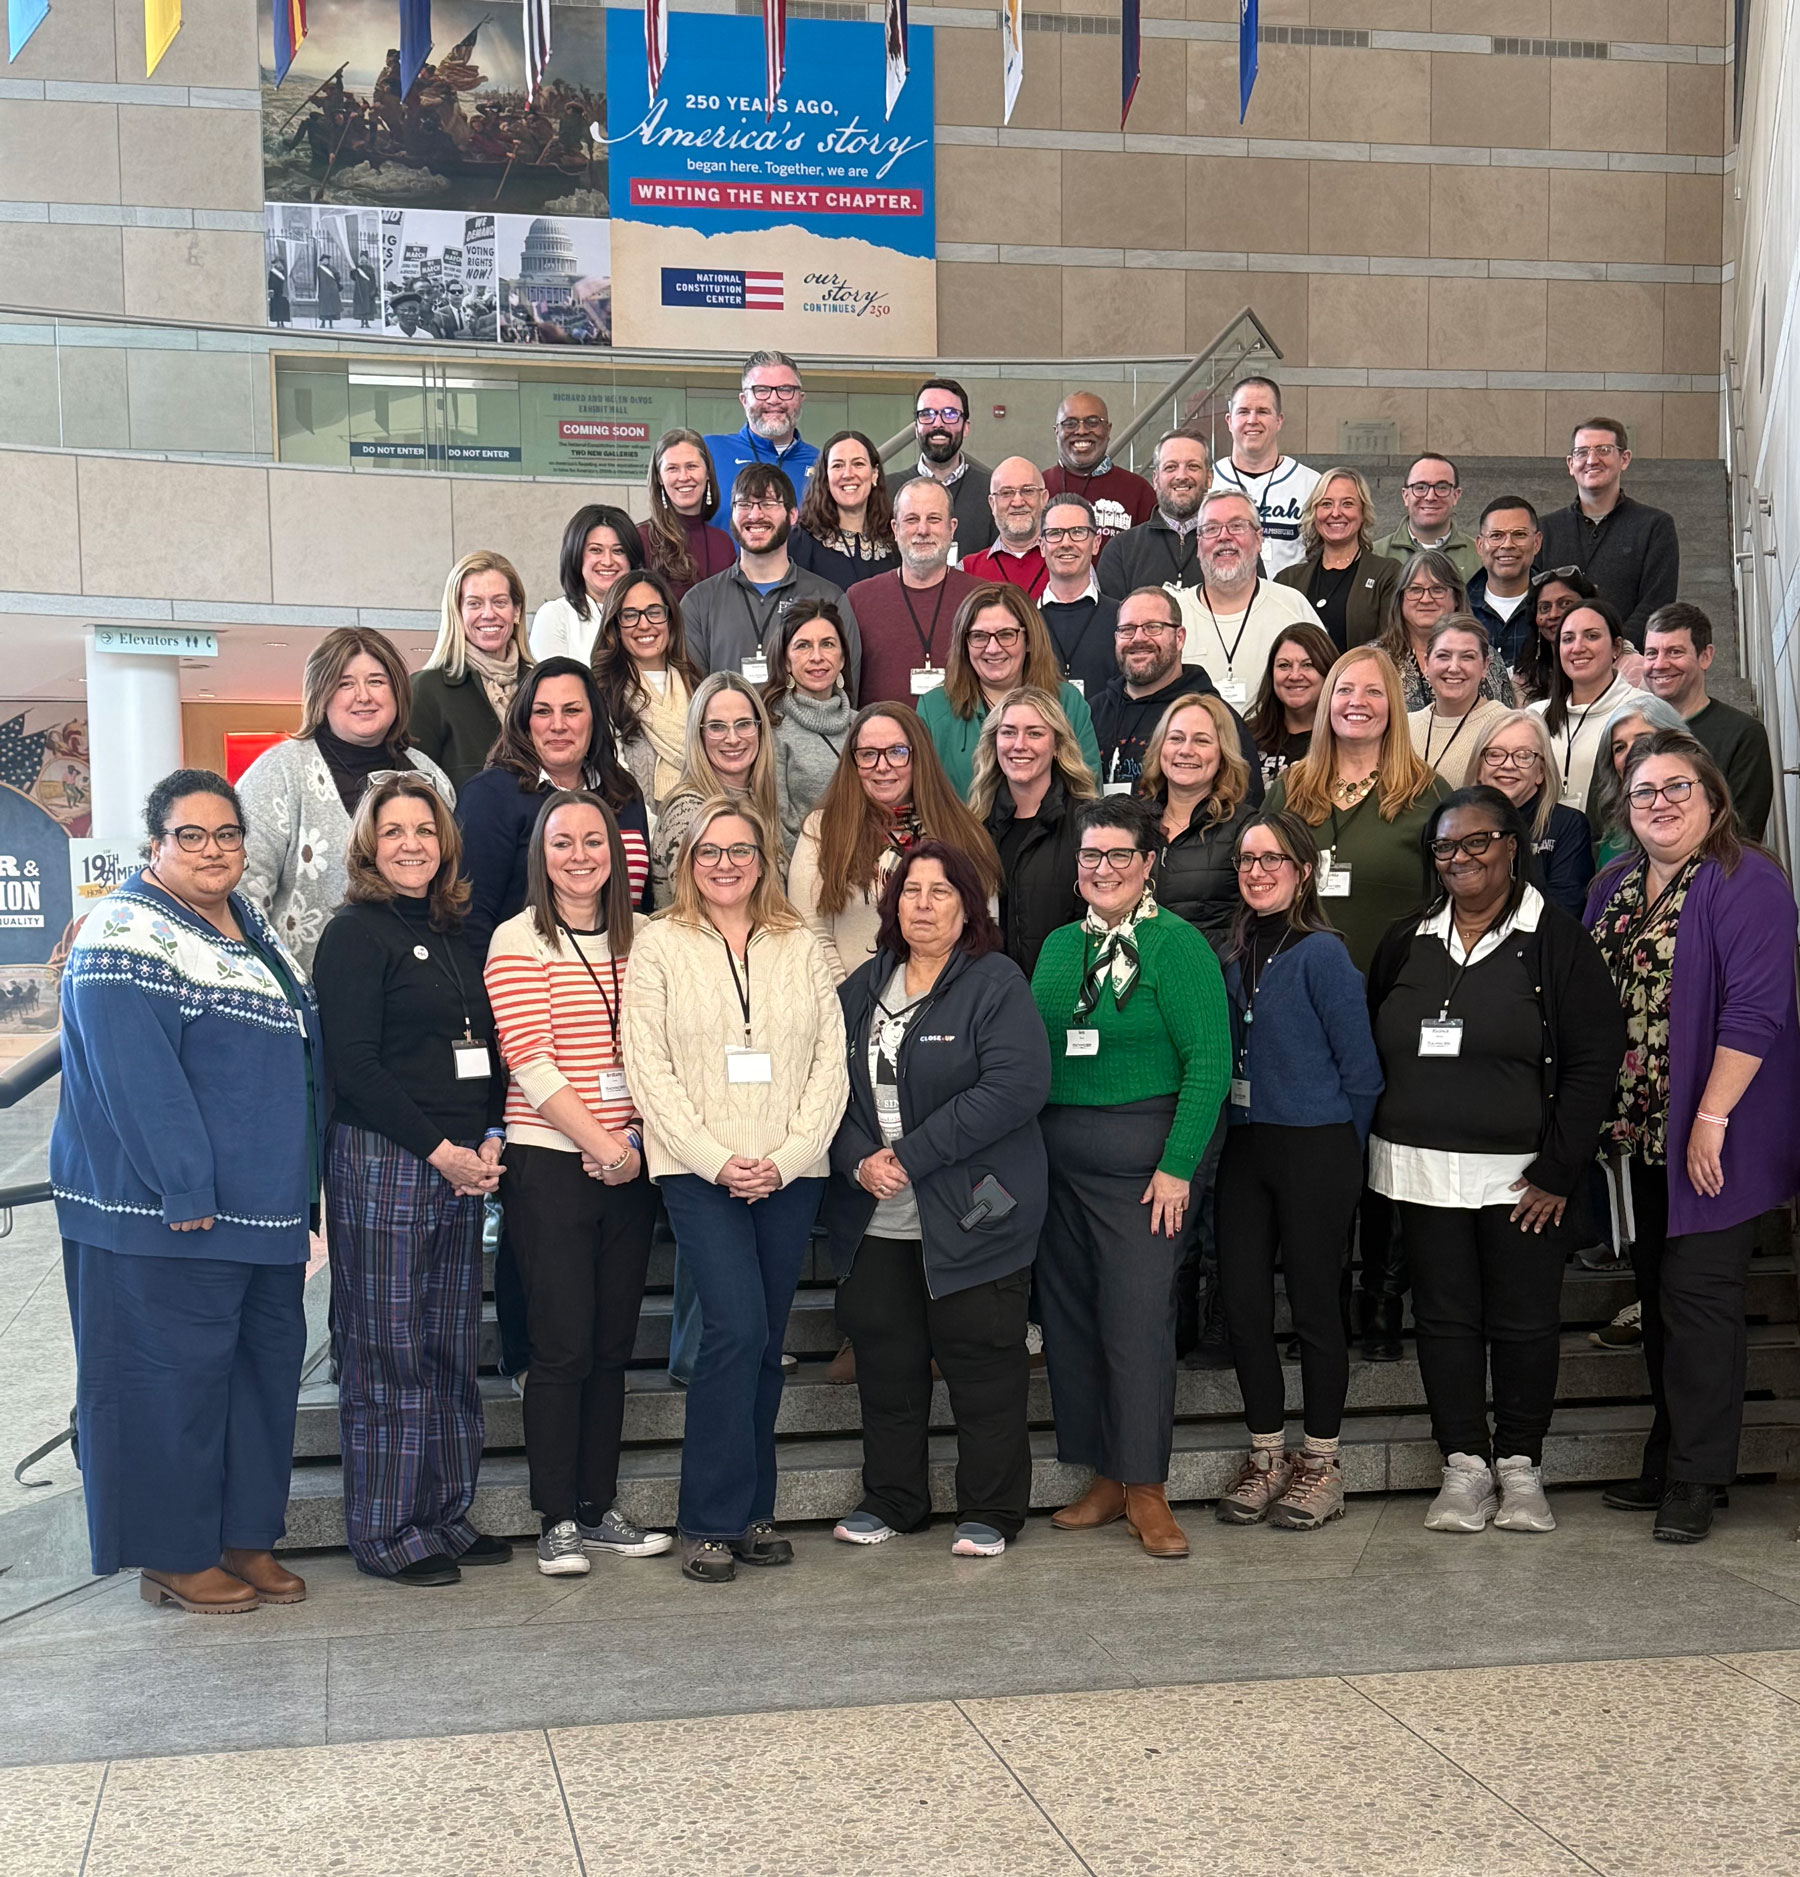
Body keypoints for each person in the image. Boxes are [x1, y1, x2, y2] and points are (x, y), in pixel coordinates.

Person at [53, 771, 322, 1613]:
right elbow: (137, 1077)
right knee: (167, 1388)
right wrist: (184, 1184)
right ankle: (172, 1553)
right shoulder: (123, 930)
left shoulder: (250, 923)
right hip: (170, 1216)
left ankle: (244, 1536)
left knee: (258, 1385)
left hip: (263, 1212)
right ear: (155, 844)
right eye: (191, 835)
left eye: (227, 834)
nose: (213, 850)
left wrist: (302, 1188)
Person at [1367, 787, 1625, 1535]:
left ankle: (1519, 1465)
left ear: (1512, 845)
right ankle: (1463, 1465)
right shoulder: (1406, 937)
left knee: (1524, 1322)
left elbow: (1594, 1060)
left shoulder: (1557, 940)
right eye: (1446, 846)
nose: (1461, 858)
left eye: (1477, 841)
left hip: (1522, 1179)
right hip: (1419, 1169)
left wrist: (1558, 1167)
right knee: (1443, 1318)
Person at [620, 800, 848, 1584]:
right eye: (709, 851)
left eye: (740, 849)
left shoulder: (800, 942)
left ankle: (754, 1511)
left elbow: (831, 1061)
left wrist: (788, 1157)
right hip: (697, 1171)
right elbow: (648, 1067)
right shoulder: (658, 943)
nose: (725, 864)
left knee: (765, 1337)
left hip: (791, 1171)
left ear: (763, 858)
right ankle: (707, 1519)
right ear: (687, 861)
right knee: (735, 1328)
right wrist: (717, 1160)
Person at [1587, 732, 1800, 1542]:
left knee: (1699, 1299)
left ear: (1713, 796)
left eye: (1679, 787)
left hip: (1719, 1130)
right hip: (1640, 1131)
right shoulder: (1612, 884)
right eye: (1645, 790)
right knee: (1660, 1298)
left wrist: (1710, 1120)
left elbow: (1756, 1010)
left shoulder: (1749, 878)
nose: (1661, 802)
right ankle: (1670, 1451)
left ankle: (1699, 1475)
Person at [824, 842, 1051, 1556]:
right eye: (910, 891)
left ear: (968, 906)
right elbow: (824, 1092)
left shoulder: (995, 983)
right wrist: (858, 1160)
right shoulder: (860, 988)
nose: (922, 905)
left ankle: (992, 1509)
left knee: (984, 1365)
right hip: (877, 1218)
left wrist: (911, 1154)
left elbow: (1015, 1086)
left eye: (940, 891)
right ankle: (893, 1498)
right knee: (886, 1367)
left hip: (974, 1212)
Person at [314, 775, 511, 1587]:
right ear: (369, 844)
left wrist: (492, 1135)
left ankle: (443, 1514)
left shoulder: (459, 932)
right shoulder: (352, 935)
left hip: (461, 1164)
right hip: (387, 1161)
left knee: (448, 1349)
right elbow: (355, 1067)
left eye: (424, 830)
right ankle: (388, 1530)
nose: (410, 844)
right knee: (387, 1352)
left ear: (445, 841)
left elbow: (488, 1049)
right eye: (393, 831)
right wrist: (440, 1149)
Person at [1031, 794, 1231, 1559]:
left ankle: (1147, 1484)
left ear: (1149, 863)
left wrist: (1179, 1166)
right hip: (1059, 1166)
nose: (1104, 867)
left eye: (1120, 854)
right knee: (1073, 1323)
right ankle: (1106, 1477)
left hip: (1145, 1171)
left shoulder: (1177, 945)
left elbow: (1209, 1062)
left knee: (1137, 1323)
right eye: (1092, 854)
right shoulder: (1058, 947)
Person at [484, 791, 671, 1575]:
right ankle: (555, 1516)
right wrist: (604, 1146)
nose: (580, 855)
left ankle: (598, 1507)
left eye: (594, 840)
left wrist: (633, 1146)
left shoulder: (649, 937)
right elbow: (530, 1060)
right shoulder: (517, 937)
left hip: (631, 1158)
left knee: (611, 1346)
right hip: (551, 1160)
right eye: (563, 842)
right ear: (541, 854)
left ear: (618, 853)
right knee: (561, 1346)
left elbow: (663, 1049)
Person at [1213, 811, 1381, 1531]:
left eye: (1272, 859)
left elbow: (1362, 1071)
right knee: (1245, 1304)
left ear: (1303, 870)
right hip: (1246, 1147)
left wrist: (1347, 1153)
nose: (1257, 871)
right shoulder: (1231, 954)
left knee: (1315, 1306)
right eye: (1246, 860)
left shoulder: (1323, 955)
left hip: (1317, 1147)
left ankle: (1321, 1461)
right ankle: (1265, 1454)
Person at [239, 626, 454, 973]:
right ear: (321, 693)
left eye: (376, 681)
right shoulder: (279, 773)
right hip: (306, 989)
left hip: (421, 986)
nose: (363, 696)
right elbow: (243, 894)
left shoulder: (429, 776)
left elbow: (449, 885)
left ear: (398, 691)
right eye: (345, 684)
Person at [1265, 644, 1449, 974]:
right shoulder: (1289, 789)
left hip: (1397, 983)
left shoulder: (1428, 793)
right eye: (1345, 690)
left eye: (1373, 692)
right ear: (1328, 701)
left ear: (1393, 706)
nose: (1357, 701)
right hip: (1296, 981)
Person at [790, 701, 1001, 983]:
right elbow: (811, 930)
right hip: (847, 999)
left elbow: (983, 926)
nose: (882, 766)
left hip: (948, 998)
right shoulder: (822, 829)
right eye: (868, 754)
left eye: (897, 752)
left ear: (919, 757)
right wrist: (849, 997)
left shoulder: (962, 832)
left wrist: (946, 997)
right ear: (853, 762)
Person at [457, 658, 652, 958]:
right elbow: (471, 918)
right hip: (529, 975)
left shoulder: (624, 792)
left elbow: (642, 905)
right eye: (542, 711)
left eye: (572, 711)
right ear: (525, 721)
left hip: (626, 972)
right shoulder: (490, 795)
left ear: (595, 718)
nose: (558, 725)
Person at [683, 464, 863, 699]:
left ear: (792, 515)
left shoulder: (829, 598)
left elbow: (846, 695)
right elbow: (693, 698)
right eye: (744, 504)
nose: (755, 515)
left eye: (768, 503)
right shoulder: (699, 603)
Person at [917, 583, 1099, 798]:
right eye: (979, 636)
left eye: (1006, 635)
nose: (992, 648)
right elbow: (923, 796)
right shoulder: (934, 707)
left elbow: (1088, 790)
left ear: (1029, 640)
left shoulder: (1067, 701)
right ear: (964, 644)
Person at [970, 686, 1098, 977]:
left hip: (1068, 989)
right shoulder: (975, 829)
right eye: (1008, 732)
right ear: (994, 742)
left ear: (1057, 746)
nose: (1019, 744)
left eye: (1035, 733)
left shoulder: (1088, 824)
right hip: (994, 994)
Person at [1089, 586, 1260, 796]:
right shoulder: (1092, 713)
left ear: (1179, 638)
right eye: (1127, 629)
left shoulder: (1214, 717)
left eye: (1153, 627)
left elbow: (1244, 799)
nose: (1138, 638)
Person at [1174, 490, 1326, 707]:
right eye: (1212, 528)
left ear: (1258, 539)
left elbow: (1326, 688)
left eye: (1237, 526)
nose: (1224, 536)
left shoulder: (1293, 606)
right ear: (1199, 545)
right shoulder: (1174, 615)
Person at [1536, 418, 1679, 644]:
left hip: (1629, 657)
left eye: (1603, 450)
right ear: (1570, 464)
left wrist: (1614, 647)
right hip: (1558, 657)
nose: (1592, 460)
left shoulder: (1655, 526)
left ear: (1625, 459)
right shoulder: (1544, 530)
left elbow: (1656, 602)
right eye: (1582, 452)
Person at [1642, 602, 1775, 839]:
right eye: (1652, 653)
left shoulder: (1743, 734)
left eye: (1675, 652)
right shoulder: (1632, 731)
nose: (1659, 664)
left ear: (1705, 656)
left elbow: (1742, 834)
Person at [651, 671, 782, 909]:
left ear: (760, 729)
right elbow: (696, 912)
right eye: (717, 727)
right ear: (698, 734)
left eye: (744, 724)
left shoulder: (762, 800)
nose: (732, 738)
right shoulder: (687, 809)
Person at [1140, 692, 1257, 954]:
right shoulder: (1134, 823)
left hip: (1211, 973)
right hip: (1138, 974)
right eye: (1176, 738)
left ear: (1223, 753)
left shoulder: (1245, 828)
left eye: (1201, 740)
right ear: (1160, 747)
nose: (1186, 750)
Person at [411, 550, 534, 792]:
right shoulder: (426, 691)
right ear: (457, 613)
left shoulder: (541, 685)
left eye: (499, 602)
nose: (488, 614)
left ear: (517, 611)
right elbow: (413, 789)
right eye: (474, 604)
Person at [852, 477, 979, 707]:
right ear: (895, 529)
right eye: (911, 519)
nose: (923, 530)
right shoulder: (858, 600)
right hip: (880, 730)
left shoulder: (981, 597)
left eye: (934, 519)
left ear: (952, 528)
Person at [591, 568, 704, 815]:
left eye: (654, 613)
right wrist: (654, 834)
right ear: (615, 626)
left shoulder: (700, 689)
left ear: (670, 619)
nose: (644, 625)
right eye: (630, 615)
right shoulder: (601, 695)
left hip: (708, 827)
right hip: (639, 829)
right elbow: (614, 782)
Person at [1529, 599, 1652, 818]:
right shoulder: (1535, 715)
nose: (1577, 648)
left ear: (1616, 647)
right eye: (1568, 639)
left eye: (1592, 636)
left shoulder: (1645, 711)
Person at [1466, 711, 1595, 919]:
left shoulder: (1568, 825)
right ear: (1479, 767)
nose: (1508, 765)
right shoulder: (1455, 823)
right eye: (1495, 754)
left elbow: (1563, 914)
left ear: (1541, 772)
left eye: (1524, 756)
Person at [1274, 467, 1401, 654]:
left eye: (1347, 504)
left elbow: (1389, 646)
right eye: (1326, 504)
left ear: (1363, 512)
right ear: (1314, 513)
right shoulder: (1288, 580)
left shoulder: (1387, 574)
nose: (1335, 513)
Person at [766, 597, 856, 856]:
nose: (817, 657)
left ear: (842, 659)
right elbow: (778, 824)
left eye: (827, 644)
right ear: (785, 661)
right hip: (804, 867)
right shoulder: (773, 728)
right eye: (803, 646)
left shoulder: (862, 724)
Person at [1207, 376, 1320, 576]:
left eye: (1262, 411)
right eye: (1243, 412)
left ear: (1279, 421)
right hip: (1221, 592)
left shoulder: (1311, 484)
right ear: (1229, 421)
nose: (1252, 420)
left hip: (1290, 594)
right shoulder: (1208, 481)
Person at [1378, 550, 1515, 714]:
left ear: (1456, 597)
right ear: (1400, 599)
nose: (1426, 599)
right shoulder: (1376, 659)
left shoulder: (1486, 657)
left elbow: (1506, 721)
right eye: (1415, 589)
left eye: (1437, 589)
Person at [1097, 430, 1212, 598]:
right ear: (1156, 480)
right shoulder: (1121, 550)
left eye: (1193, 466)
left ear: (1209, 478)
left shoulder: (1229, 545)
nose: (1181, 476)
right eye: (1171, 467)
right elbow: (1111, 613)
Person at [529, 504, 645, 665]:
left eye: (618, 551)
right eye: (596, 550)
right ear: (576, 555)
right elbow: (554, 680)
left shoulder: (650, 617)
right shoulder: (556, 615)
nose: (607, 561)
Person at [1408, 616, 1512, 789]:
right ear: (1426, 663)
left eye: (1467, 657)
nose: (1454, 668)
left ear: (1485, 666)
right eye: (1443, 656)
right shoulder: (1404, 726)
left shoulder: (1505, 726)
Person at [1588, 697, 1691, 867]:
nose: (1630, 754)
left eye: (1643, 740)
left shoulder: (1696, 818)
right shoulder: (1613, 843)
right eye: (1620, 748)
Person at [791, 429, 897, 590]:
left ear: (874, 474)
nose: (848, 474)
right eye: (838, 465)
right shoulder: (799, 542)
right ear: (825, 477)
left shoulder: (897, 538)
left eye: (858, 464)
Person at [1042, 391, 1155, 542]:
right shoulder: (1037, 488)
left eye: (1092, 422)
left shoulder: (1139, 491)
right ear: (1056, 432)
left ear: (1108, 429)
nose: (1081, 431)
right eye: (1070, 423)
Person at [640, 427, 736, 600]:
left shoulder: (723, 543)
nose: (683, 477)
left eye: (691, 466)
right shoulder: (641, 539)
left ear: (707, 472)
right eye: (672, 468)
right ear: (660, 478)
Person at [1038, 494, 1122, 695]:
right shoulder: (1023, 619)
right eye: (1055, 533)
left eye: (1078, 532)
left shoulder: (1122, 618)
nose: (1066, 543)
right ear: (1041, 546)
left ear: (1096, 543)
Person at [702, 348, 819, 490]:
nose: (774, 400)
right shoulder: (708, 452)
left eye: (785, 390)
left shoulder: (822, 464)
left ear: (800, 399)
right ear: (744, 400)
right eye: (762, 390)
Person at [910, 377, 995, 556]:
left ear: (966, 428)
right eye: (927, 414)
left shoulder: (992, 492)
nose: (938, 423)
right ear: (916, 427)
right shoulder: (890, 491)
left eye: (950, 414)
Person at [1247, 621, 1336, 790]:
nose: (1295, 675)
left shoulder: (1345, 740)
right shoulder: (1246, 737)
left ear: (1329, 671)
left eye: (1308, 665)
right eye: (1284, 665)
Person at [1466, 497, 1543, 673]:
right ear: (1480, 545)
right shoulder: (1458, 607)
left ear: (1537, 543)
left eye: (1520, 534)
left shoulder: (1555, 608)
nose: (1507, 544)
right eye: (1496, 536)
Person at [1374, 455, 1480, 581]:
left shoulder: (1481, 557)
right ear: (1405, 496)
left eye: (1442, 487)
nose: (1430, 497)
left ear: (1456, 496)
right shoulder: (1375, 555)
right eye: (1420, 487)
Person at [961, 457, 1050, 599]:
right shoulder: (967, 570)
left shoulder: (1070, 562)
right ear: (992, 503)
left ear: (1044, 498)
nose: (1018, 502)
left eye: (1028, 491)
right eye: (1006, 493)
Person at [1515, 565, 1602, 704]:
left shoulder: (1626, 665)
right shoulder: (1522, 681)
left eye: (1565, 603)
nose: (1553, 614)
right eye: (1545, 608)